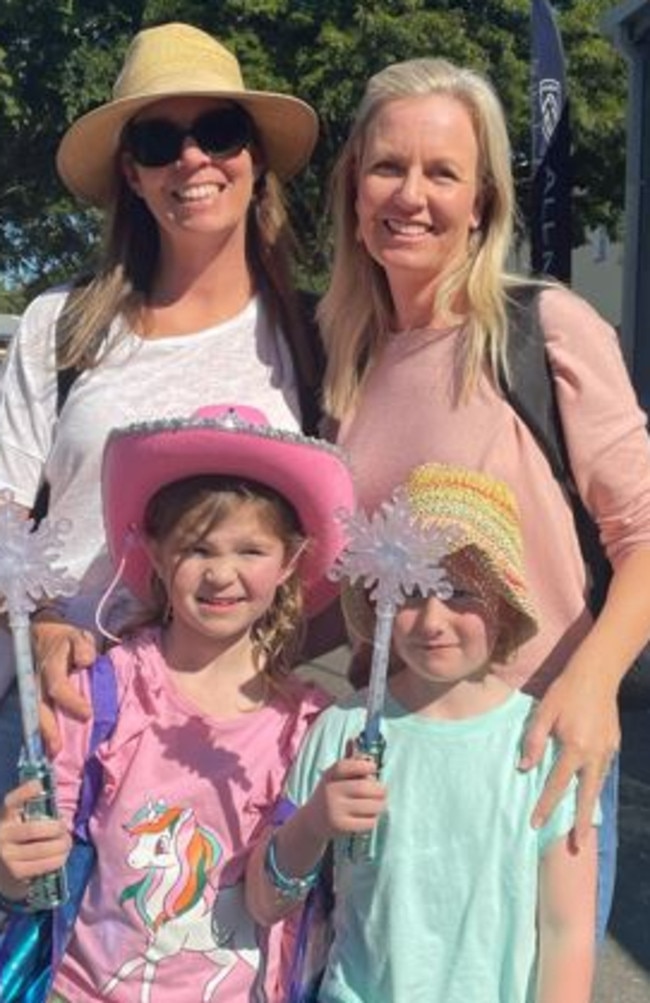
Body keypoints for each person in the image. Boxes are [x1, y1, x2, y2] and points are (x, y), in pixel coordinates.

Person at [316, 56, 650, 939]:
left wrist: (592, 683)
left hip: (534, 751)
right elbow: (345, 588)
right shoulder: (345, 363)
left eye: (442, 172)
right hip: (396, 764)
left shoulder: (544, 332)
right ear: (355, 189)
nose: (410, 194)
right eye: (388, 166)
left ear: (483, 202)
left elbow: (644, 536)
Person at [0, 22, 322, 799]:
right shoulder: (60, 325)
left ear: (254, 159)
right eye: (157, 140)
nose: (191, 159)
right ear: (132, 175)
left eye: (218, 130)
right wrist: (39, 618)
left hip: (232, 729)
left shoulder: (313, 337)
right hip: (65, 708)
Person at [0, 403, 356, 1002]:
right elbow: (41, 873)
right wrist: (13, 871)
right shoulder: (102, 692)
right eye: (197, 549)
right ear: (158, 555)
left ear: (290, 562)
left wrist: (317, 820)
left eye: (250, 550)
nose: (222, 574)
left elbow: (277, 901)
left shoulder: (308, 725)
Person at [246, 463, 598, 1002]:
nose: (432, 620)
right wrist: (313, 822)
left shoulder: (542, 745)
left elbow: (566, 931)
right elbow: (266, 901)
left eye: (460, 591)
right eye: (411, 589)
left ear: (503, 606)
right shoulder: (341, 730)